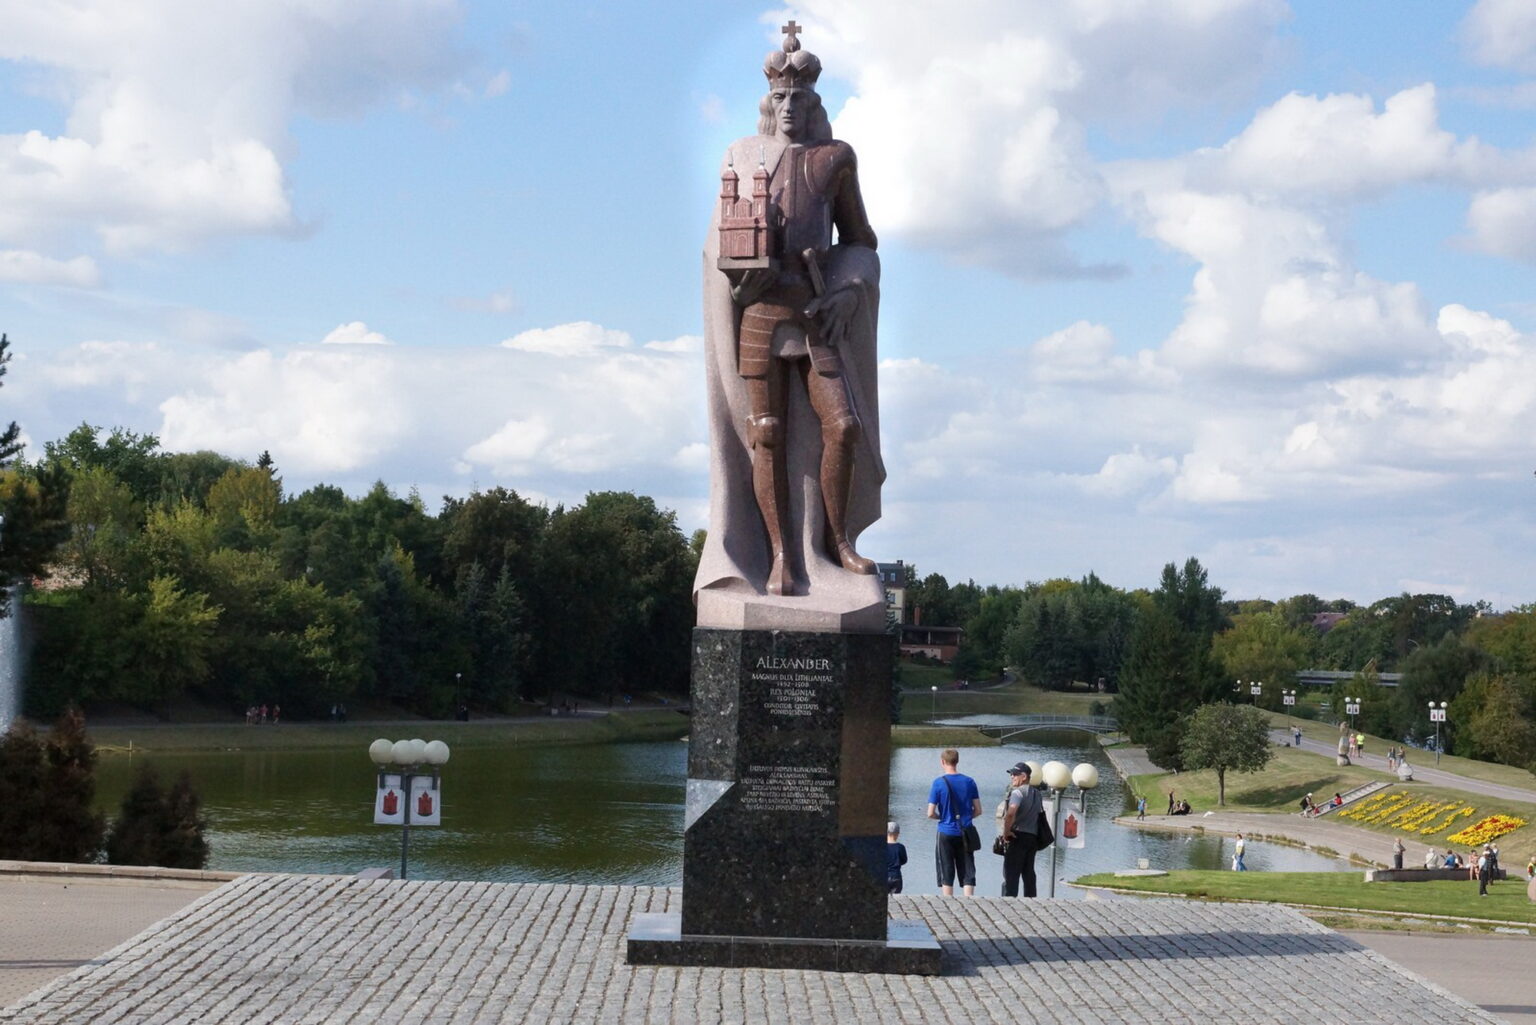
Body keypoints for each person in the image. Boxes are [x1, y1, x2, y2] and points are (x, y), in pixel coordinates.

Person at [694, 23, 884, 603]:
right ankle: (779, 555)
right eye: (780, 97)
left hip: (815, 312)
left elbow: (860, 240)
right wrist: (737, 274)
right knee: (767, 434)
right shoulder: (741, 156)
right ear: (768, 101)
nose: (789, 108)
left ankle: (836, 542)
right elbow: (719, 243)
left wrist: (850, 289)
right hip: (760, 313)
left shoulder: (834, 159)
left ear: (813, 103)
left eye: (799, 98)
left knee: (844, 426)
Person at [926, 748, 982, 897]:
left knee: (946, 868)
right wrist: (966, 818)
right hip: (965, 831)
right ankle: (969, 900)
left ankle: (947, 901)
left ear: (942, 762)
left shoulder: (938, 783)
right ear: (957, 761)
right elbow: (978, 810)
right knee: (967, 869)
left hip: (946, 831)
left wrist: (941, 817)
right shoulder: (969, 782)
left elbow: (930, 813)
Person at [1000, 763, 1044, 898]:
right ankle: (1031, 899)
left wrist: (1006, 832)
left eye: (1015, 774)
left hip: (1017, 836)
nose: (1012, 776)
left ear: (1024, 777)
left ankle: (1009, 900)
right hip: (1032, 837)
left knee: (1011, 873)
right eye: (1011, 774)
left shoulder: (1017, 793)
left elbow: (1011, 813)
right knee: (1028, 871)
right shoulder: (1037, 794)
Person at [885, 821, 908, 894]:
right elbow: (904, 860)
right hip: (896, 876)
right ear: (898, 834)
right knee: (896, 897)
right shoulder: (900, 847)